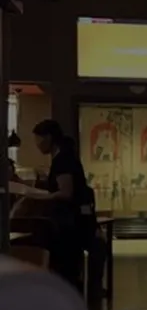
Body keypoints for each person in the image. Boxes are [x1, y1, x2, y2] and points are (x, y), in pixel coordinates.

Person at [27, 120, 91, 291]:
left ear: (48, 138)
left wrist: (40, 197)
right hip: (70, 222)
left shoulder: (62, 160)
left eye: (38, 139)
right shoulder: (64, 157)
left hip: (67, 224)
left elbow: (66, 192)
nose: (37, 145)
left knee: (64, 268)